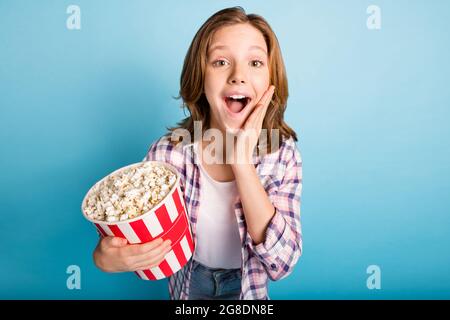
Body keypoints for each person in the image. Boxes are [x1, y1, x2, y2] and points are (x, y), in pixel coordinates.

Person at [93, 6, 303, 300]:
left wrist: (241, 162)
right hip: (189, 286)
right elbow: (127, 231)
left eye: (255, 62)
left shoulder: (282, 156)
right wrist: (105, 258)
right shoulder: (169, 154)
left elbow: (283, 263)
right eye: (220, 61)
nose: (238, 76)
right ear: (200, 78)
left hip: (247, 289)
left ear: (271, 80)